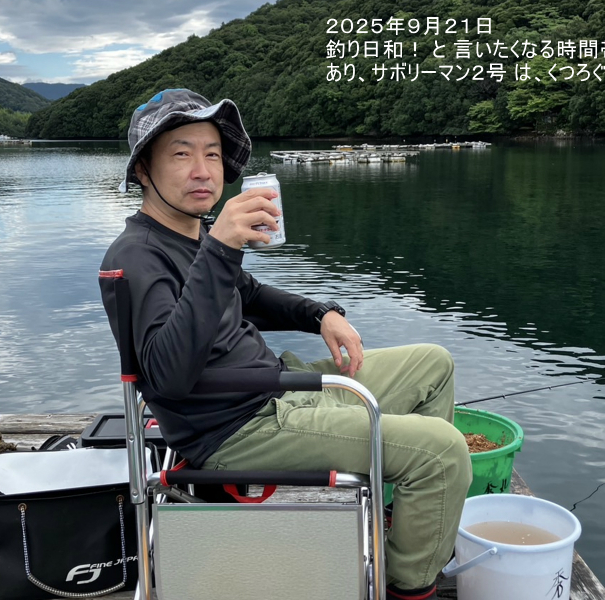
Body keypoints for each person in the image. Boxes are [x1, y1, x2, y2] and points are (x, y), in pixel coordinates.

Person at [99, 88, 471, 600]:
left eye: (212, 154)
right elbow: (168, 377)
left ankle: (405, 521)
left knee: (433, 364)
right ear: (144, 170)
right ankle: (409, 586)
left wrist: (321, 314)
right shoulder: (135, 256)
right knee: (443, 453)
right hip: (237, 429)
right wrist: (222, 248)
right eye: (181, 154)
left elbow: (248, 295)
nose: (203, 171)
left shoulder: (191, 236)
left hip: (278, 388)